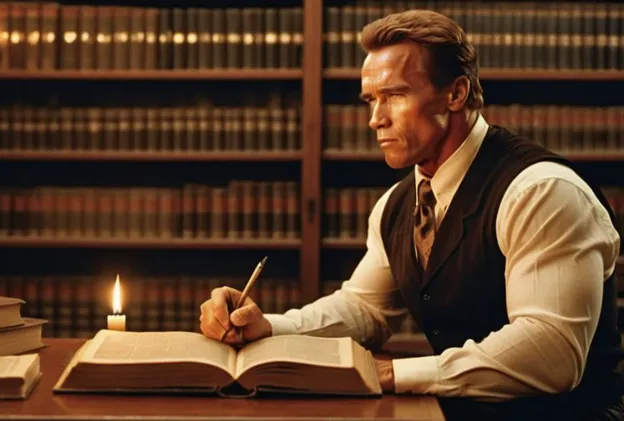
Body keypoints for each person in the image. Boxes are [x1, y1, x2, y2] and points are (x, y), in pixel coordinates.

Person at [199, 9, 624, 421]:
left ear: (455, 94)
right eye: (370, 100)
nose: (374, 119)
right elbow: (365, 309)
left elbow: (552, 354)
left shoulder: (541, 191)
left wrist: (392, 374)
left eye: (395, 96)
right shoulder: (398, 203)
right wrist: (267, 327)